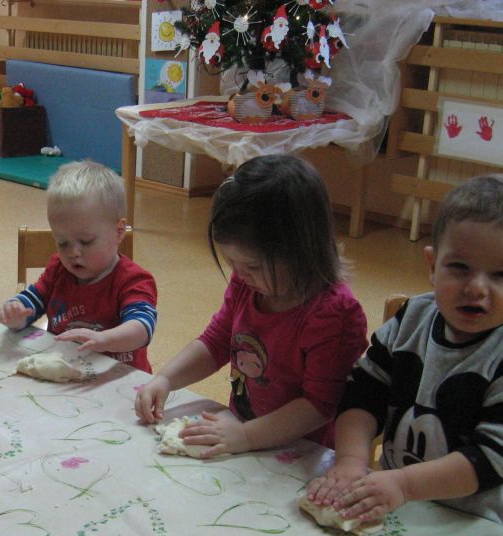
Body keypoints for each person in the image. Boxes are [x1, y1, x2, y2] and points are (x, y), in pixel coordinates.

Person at [306, 174, 503, 536]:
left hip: (489, 529)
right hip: (405, 507)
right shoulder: (411, 319)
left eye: (502, 274)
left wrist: (404, 484)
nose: (476, 287)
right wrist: (351, 461)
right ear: (432, 265)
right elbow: (363, 394)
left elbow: (495, 459)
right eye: (459, 267)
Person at [135, 154, 367, 456]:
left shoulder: (334, 314)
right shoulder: (249, 284)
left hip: (302, 455)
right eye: (232, 263)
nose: (240, 275)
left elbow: (319, 405)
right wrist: (166, 379)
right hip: (246, 435)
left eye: (252, 266)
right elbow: (216, 341)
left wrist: (246, 436)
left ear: (303, 250)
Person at [0, 160, 158, 372]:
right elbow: (33, 300)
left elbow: (142, 328)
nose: (72, 252)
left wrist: (105, 339)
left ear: (119, 232)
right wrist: (16, 314)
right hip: (65, 371)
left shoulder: (133, 280)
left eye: (86, 241)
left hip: (118, 378)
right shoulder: (58, 269)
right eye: (62, 242)